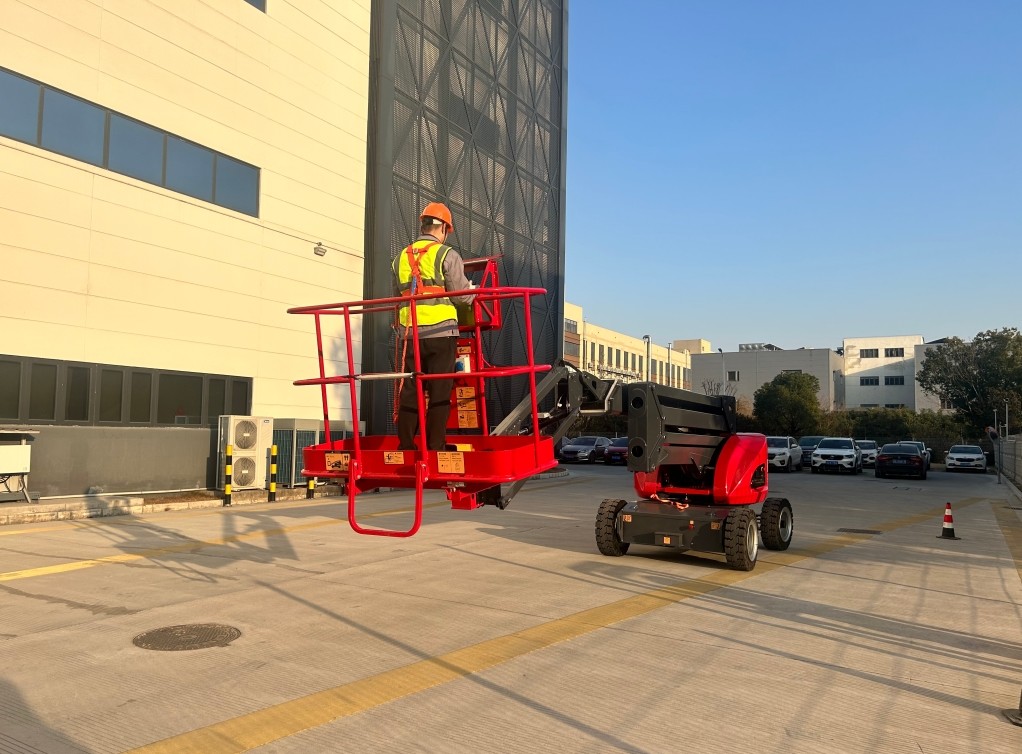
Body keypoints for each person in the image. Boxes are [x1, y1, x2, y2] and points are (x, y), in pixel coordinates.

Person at [393, 201, 475, 451]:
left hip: (410, 334)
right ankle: (435, 445)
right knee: (440, 389)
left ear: (424, 225)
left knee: (411, 388)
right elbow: (462, 296)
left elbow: (397, 296)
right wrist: (473, 291)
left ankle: (406, 445)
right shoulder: (447, 254)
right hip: (441, 333)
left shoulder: (400, 258)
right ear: (444, 229)